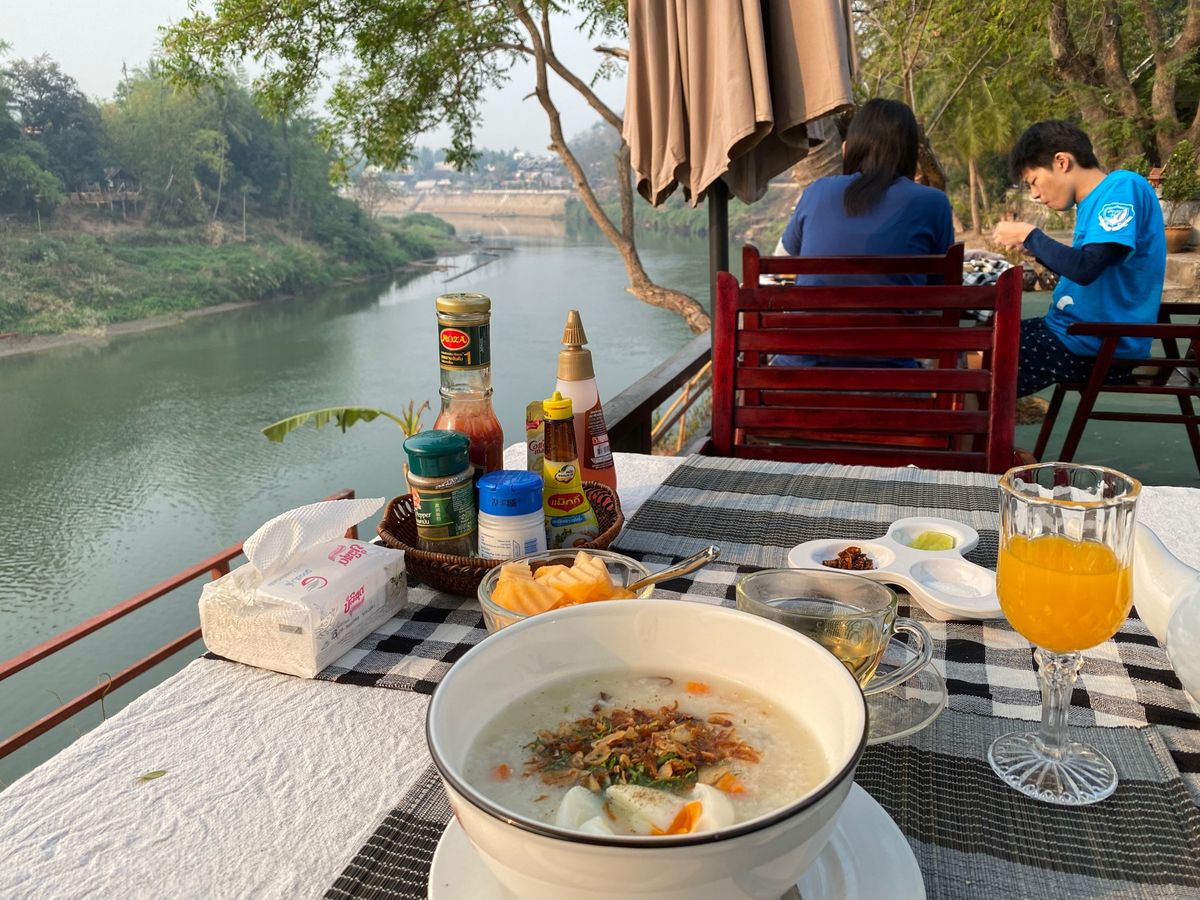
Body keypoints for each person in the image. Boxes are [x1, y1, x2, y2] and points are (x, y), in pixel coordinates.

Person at [775, 98, 955, 367]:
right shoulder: (933, 203)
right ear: (909, 155)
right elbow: (943, 293)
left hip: (802, 374)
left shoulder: (816, 191)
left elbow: (778, 263)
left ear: (848, 149)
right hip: (893, 378)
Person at [993, 121, 1166, 398]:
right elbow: (1089, 265)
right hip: (1073, 334)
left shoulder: (1122, 185)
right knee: (982, 337)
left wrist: (1030, 236)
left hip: (1094, 345)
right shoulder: (1093, 202)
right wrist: (1036, 251)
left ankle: (964, 438)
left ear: (1061, 161)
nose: (1035, 195)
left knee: (974, 360)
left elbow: (1087, 268)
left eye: (1033, 182)